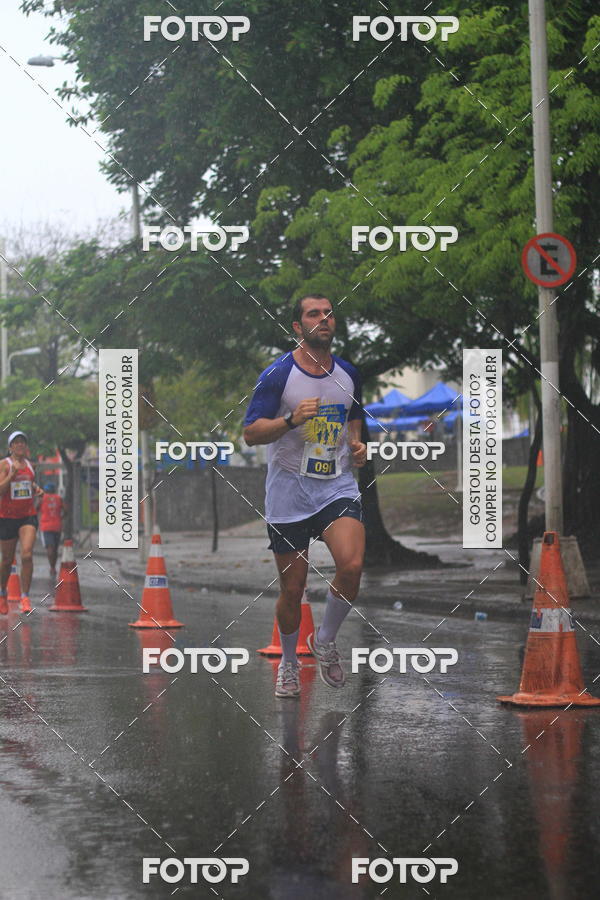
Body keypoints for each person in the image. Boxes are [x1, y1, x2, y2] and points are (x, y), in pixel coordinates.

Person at [244, 294, 367, 698]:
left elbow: (352, 416)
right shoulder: (278, 375)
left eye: (329, 313)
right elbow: (251, 433)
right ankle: (289, 663)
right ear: (298, 327)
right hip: (289, 491)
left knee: (352, 564)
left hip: (335, 485)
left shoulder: (348, 373)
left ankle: (325, 640)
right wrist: (291, 419)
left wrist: (356, 444)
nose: (323, 319)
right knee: (293, 590)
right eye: (314, 314)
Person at [0, 431, 44, 614]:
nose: (20, 445)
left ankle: (24, 597)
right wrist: (11, 476)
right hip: (7, 517)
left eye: (22, 442)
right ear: (10, 447)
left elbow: (28, 483)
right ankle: (2, 593)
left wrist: (37, 489)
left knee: (26, 555)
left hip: (27, 516)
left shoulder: (30, 465)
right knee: (7, 560)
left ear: (26, 446)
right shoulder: (4, 464)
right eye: (16, 442)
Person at [37, 482, 65, 577]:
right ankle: (53, 567)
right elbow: (66, 510)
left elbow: (35, 509)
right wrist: (61, 517)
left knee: (50, 547)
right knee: (55, 548)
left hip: (46, 526)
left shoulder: (42, 499)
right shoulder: (59, 498)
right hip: (57, 526)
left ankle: (52, 568)